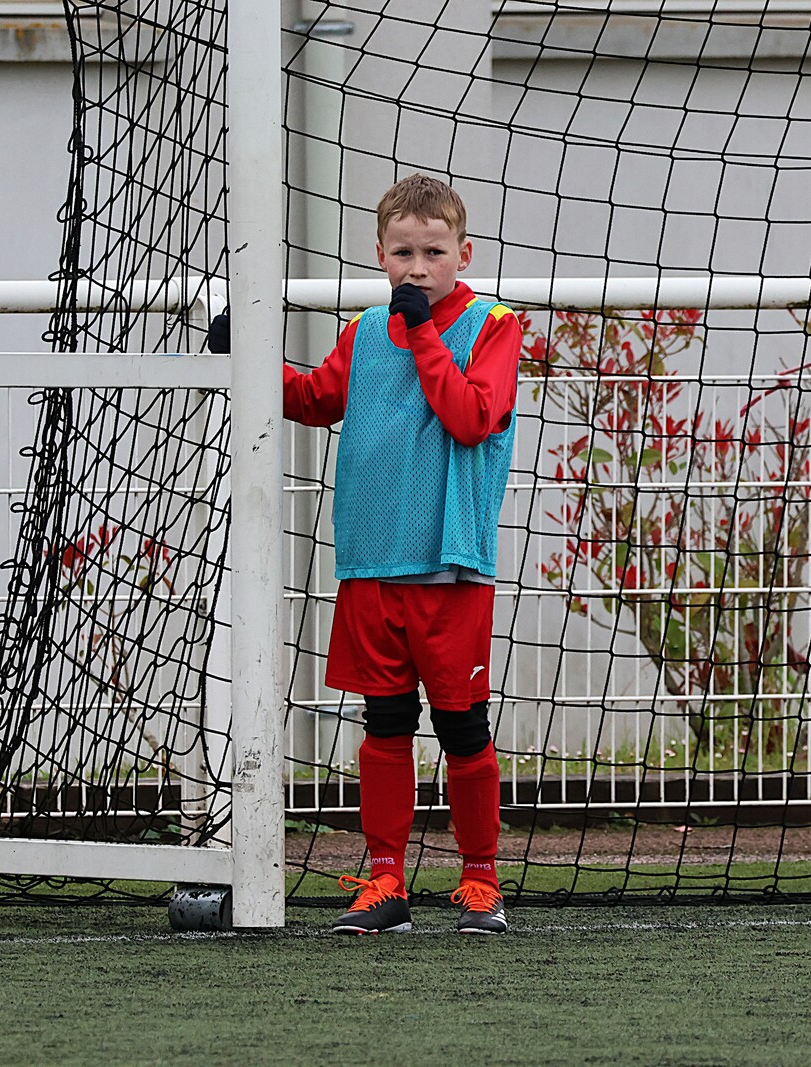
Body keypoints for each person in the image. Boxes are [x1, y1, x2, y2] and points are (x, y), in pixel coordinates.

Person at [210, 174, 521, 934]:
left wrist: (422, 333)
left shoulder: (494, 326)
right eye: (404, 253)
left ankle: (480, 880)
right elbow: (315, 398)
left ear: (464, 254)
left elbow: (471, 417)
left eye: (434, 253)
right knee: (384, 724)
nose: (418, 268)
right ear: (380, 254)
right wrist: (249, 360)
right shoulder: (365, 330)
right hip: (370, 564)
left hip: (450, 567)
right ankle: (385, 880)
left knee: (462, 729)